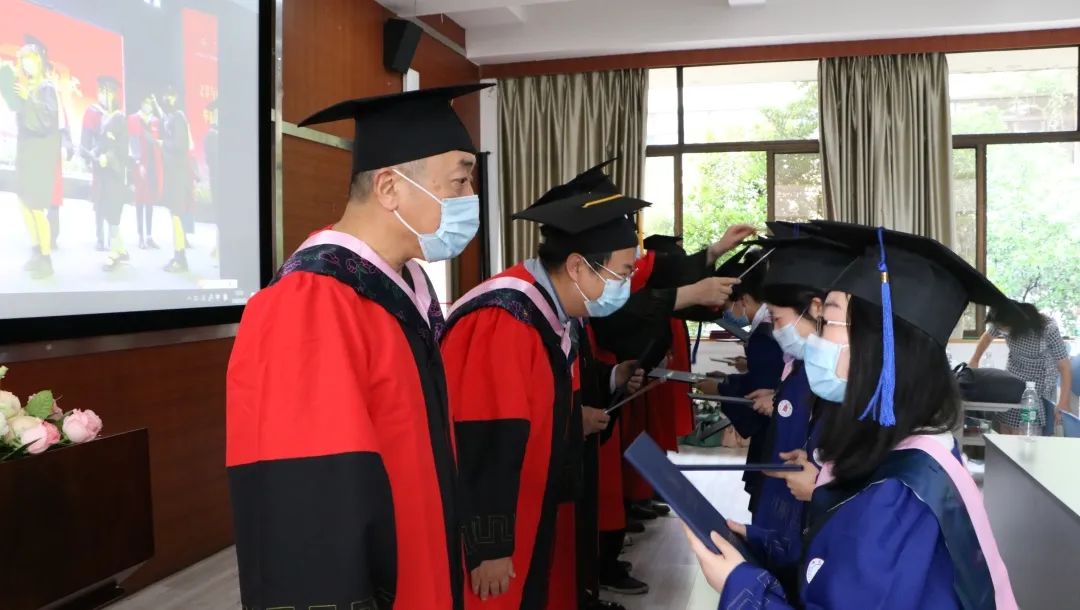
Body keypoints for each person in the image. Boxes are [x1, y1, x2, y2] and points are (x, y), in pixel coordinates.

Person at [226, 83, 490, 610]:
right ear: (389, 187)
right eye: (459, 182)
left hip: (426, 556)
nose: (469, 200)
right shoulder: (312, 301)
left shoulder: (403, 284)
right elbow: (310, 496)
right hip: (378, 585)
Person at [687, 221, 1018, 609]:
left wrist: (740, 587)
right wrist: (764, 545)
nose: (817, 339)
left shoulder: (898, 493)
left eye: (827, 322)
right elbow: (841, 569)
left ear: (878, 345)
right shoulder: (892, 449)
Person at [441, 175, 648, 610]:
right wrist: (490, 546)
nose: (627, 283)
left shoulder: (550, 313)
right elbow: (485, 437)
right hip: (496, 529)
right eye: (624, 271)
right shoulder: (504, 320)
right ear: (577, 267)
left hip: (530, 504)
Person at [732, 229, 857, 596]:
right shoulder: (810, 367)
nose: (775, 330)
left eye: (777, 318)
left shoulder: (845, 383)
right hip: (788, 520)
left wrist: (820, 486)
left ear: (817, 310)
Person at [694, 247, 786, 514]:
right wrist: (731, 378)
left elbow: (762, 391)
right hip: (779, 427)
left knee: (766, 499)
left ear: (743, 299)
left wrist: (720, 388)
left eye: (727, 306)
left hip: (774, 435)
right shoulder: (768, 327)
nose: (728, 314)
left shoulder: (763, 334)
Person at [1, 36, 61, 279]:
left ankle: (46, 258)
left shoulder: (47, 88)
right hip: (26, 152)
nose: (27, 64)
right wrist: (14, 96)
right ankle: (36, 250)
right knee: (23, 202)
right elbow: (23, 117)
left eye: (31, 59)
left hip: (40, 154)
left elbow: (47, 121)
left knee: (37, 207)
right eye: (23, 60)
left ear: (39, 61)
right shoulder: (27, 86)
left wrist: (28, 98)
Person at [969, 300, 1072, 436]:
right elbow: (987, 337)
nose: (1001, 331)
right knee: (1005, 419)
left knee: (1027, 426)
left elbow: (1064, 366)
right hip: (1013, 377)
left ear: (1017, 324)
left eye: (1004, 329)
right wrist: (974, 360)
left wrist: (1064, 402)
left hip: (1039, 385)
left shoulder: (1048, 328)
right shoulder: (1002, 319)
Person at [89, 76, 131, 272]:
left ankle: (114, 253)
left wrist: (108, 157)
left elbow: (122, 148)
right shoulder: (104, 117)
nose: (102, 95)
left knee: (113, 213)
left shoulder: (120, 118)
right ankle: (121, 249)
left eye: (106, 92)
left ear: (113, 94)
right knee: (106, 210)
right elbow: (102, 143)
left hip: (115, 173)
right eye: (101, 91)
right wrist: (95, 153)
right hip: (104, 173)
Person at [161, 84, 194, 272]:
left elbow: (180, 145)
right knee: (175, 217)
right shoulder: (171, 117)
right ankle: (178, 255)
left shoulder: (178, 118)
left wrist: (162, 143)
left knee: (177, 217)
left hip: (179, 176)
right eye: (166, 95)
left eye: (171, 96)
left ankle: (180, 258)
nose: (168, 99)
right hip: (174, 175)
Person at [128, 92, 164, 249]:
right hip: (140, 165)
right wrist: (138, 163)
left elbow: (158, 141)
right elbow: (133, 142)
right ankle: (140, 236)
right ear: (141, 103)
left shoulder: (155, 121)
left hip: (153, 166)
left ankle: (149, 236)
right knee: (140, 201)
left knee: (150, 201)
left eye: (150, 103)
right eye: (146, 103)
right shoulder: (133, 119)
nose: (148, 106)